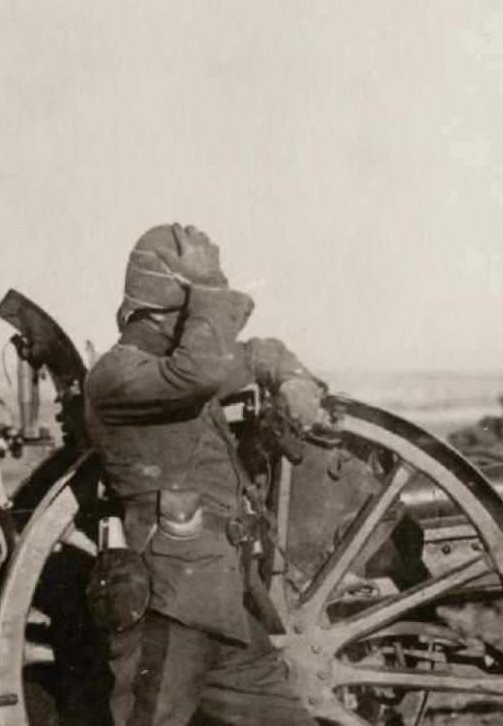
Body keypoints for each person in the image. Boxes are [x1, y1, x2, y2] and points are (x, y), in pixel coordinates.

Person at [83, 223, 328, 726]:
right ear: (169, 309)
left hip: (221, 602)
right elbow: (200, 373)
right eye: (193, 314)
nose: (205, 327)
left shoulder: (175, 368)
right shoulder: (116, 376)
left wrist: (293, 379)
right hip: (166, 602)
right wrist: (211, 289)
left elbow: (255, 355)